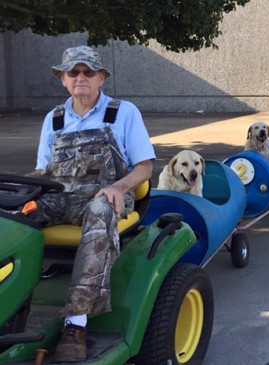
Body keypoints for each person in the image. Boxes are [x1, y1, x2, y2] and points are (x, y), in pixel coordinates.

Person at [28, 46, 155, 362]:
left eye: (88, 72)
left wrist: (118, 187)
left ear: (101, 77)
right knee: (12, 217)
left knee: (100, 212)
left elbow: (145, 167)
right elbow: (43, 171)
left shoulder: (123, 113)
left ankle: (76, 324)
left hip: (105, 196)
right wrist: (21, 192)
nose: (80, 77)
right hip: (60, 197)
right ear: (63, 79)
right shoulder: (54, 119)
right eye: (73, 72)